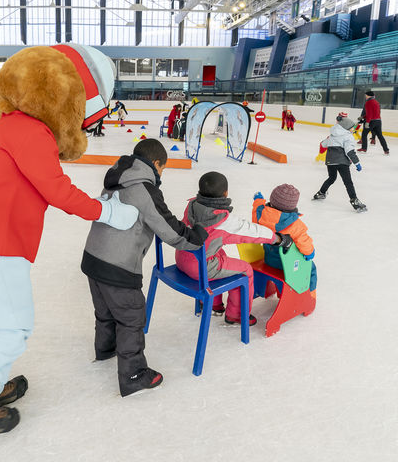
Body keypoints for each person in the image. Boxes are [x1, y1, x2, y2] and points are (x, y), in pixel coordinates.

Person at [0, 43, 135, 433]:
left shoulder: (5, 125)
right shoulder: (33, 132)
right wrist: (109, 211)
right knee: (14, 327)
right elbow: (57, 191)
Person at [81, 139, 207, 397]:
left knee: (105, 311)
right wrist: (196, 238)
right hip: (118, 265)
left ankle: (105, 350)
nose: (161, 175)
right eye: (163, 169)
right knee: (131, 317)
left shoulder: (118, 177)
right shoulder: (144, 188)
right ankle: (134, 375)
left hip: (93, 257)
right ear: (157, 164)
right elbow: (169, 227)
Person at [175, 171, 284, 326]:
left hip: (182, 257)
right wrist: (276, 238)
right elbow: (250, 231)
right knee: (245, 270)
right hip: (200, 268)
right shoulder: (222, 220)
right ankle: (237, 315)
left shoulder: (192, 205)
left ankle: (213, 304)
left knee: (220, 253)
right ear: (225, 193)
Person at [252, 185, 317, 290]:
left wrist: (258, 200)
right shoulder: (295, 224)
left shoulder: (262, 214)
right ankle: (309, 293)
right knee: (311, 268)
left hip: (268, 259)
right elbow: (304, 242)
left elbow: (256, 209)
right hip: (288, 265)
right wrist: (310, 253)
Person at [312, 112, 367, 211]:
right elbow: (349, 151)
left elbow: (323, 144)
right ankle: (354, 200)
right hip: (342, 162)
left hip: (330, 162)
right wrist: (357, 163)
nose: (353, 129)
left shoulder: (332, 135)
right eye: (351, 127)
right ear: (345, 128)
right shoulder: (348, 136)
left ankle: (320, 193)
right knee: (348, 182)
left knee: (331, 178)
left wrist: (330, 140)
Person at [359, 90, 389, 154]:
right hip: (378, 121)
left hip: (371, 121)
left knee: (364, 134)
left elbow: (369, 113)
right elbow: (374, 113)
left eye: (366, 95)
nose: (365, 97)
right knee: (380, 136)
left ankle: (364, 148)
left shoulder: (368, 102)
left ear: (368, 95)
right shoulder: (376, 102)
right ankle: (386, 150)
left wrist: (367, 122)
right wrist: (363, 117)